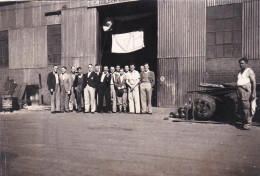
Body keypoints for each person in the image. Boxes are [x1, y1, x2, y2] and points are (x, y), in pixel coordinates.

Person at [237, 58, 256, 130]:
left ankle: (248, 123)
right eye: (240, 63)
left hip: (246, 90)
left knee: (246, 107)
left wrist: (253, 93)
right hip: (239, 90)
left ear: (246, 63)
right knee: (241, 107)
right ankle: (243, 122)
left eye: (242, 63)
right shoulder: (239, 72)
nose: (240, 65)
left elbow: (253, 82)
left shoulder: (249, 71)